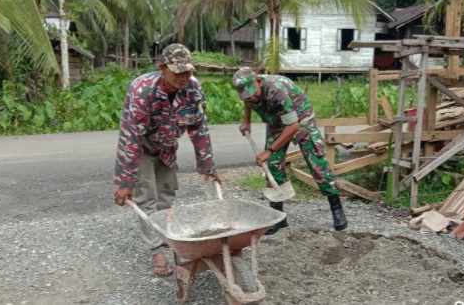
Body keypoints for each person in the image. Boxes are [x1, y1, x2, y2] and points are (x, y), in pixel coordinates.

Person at [113, 44, 221, 277]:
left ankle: (166, 237)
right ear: (162, 67)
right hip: (140, 148)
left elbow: (199, 127)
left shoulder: (193, 88)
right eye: (178, 72)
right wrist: (126, 182)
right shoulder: (142, 90)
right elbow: (132, 137)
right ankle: (156, 250)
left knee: (166, 194)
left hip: (167, 148)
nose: (184, 77)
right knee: (146, 198)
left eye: (188, 71)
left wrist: (207, 166)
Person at [231, 67, 347, 235]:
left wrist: (270, 150)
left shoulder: (276, 90)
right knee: (272, 165)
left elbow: (293, 126)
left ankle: (337, 208)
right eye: (247, 95)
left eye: (253, 92)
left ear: (257, 80)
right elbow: (248, 100)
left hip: (300, 116)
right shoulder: (248, 91)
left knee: (316, 161)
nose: (252, 97)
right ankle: (278, 216)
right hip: (276, 121)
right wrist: (247, 121)